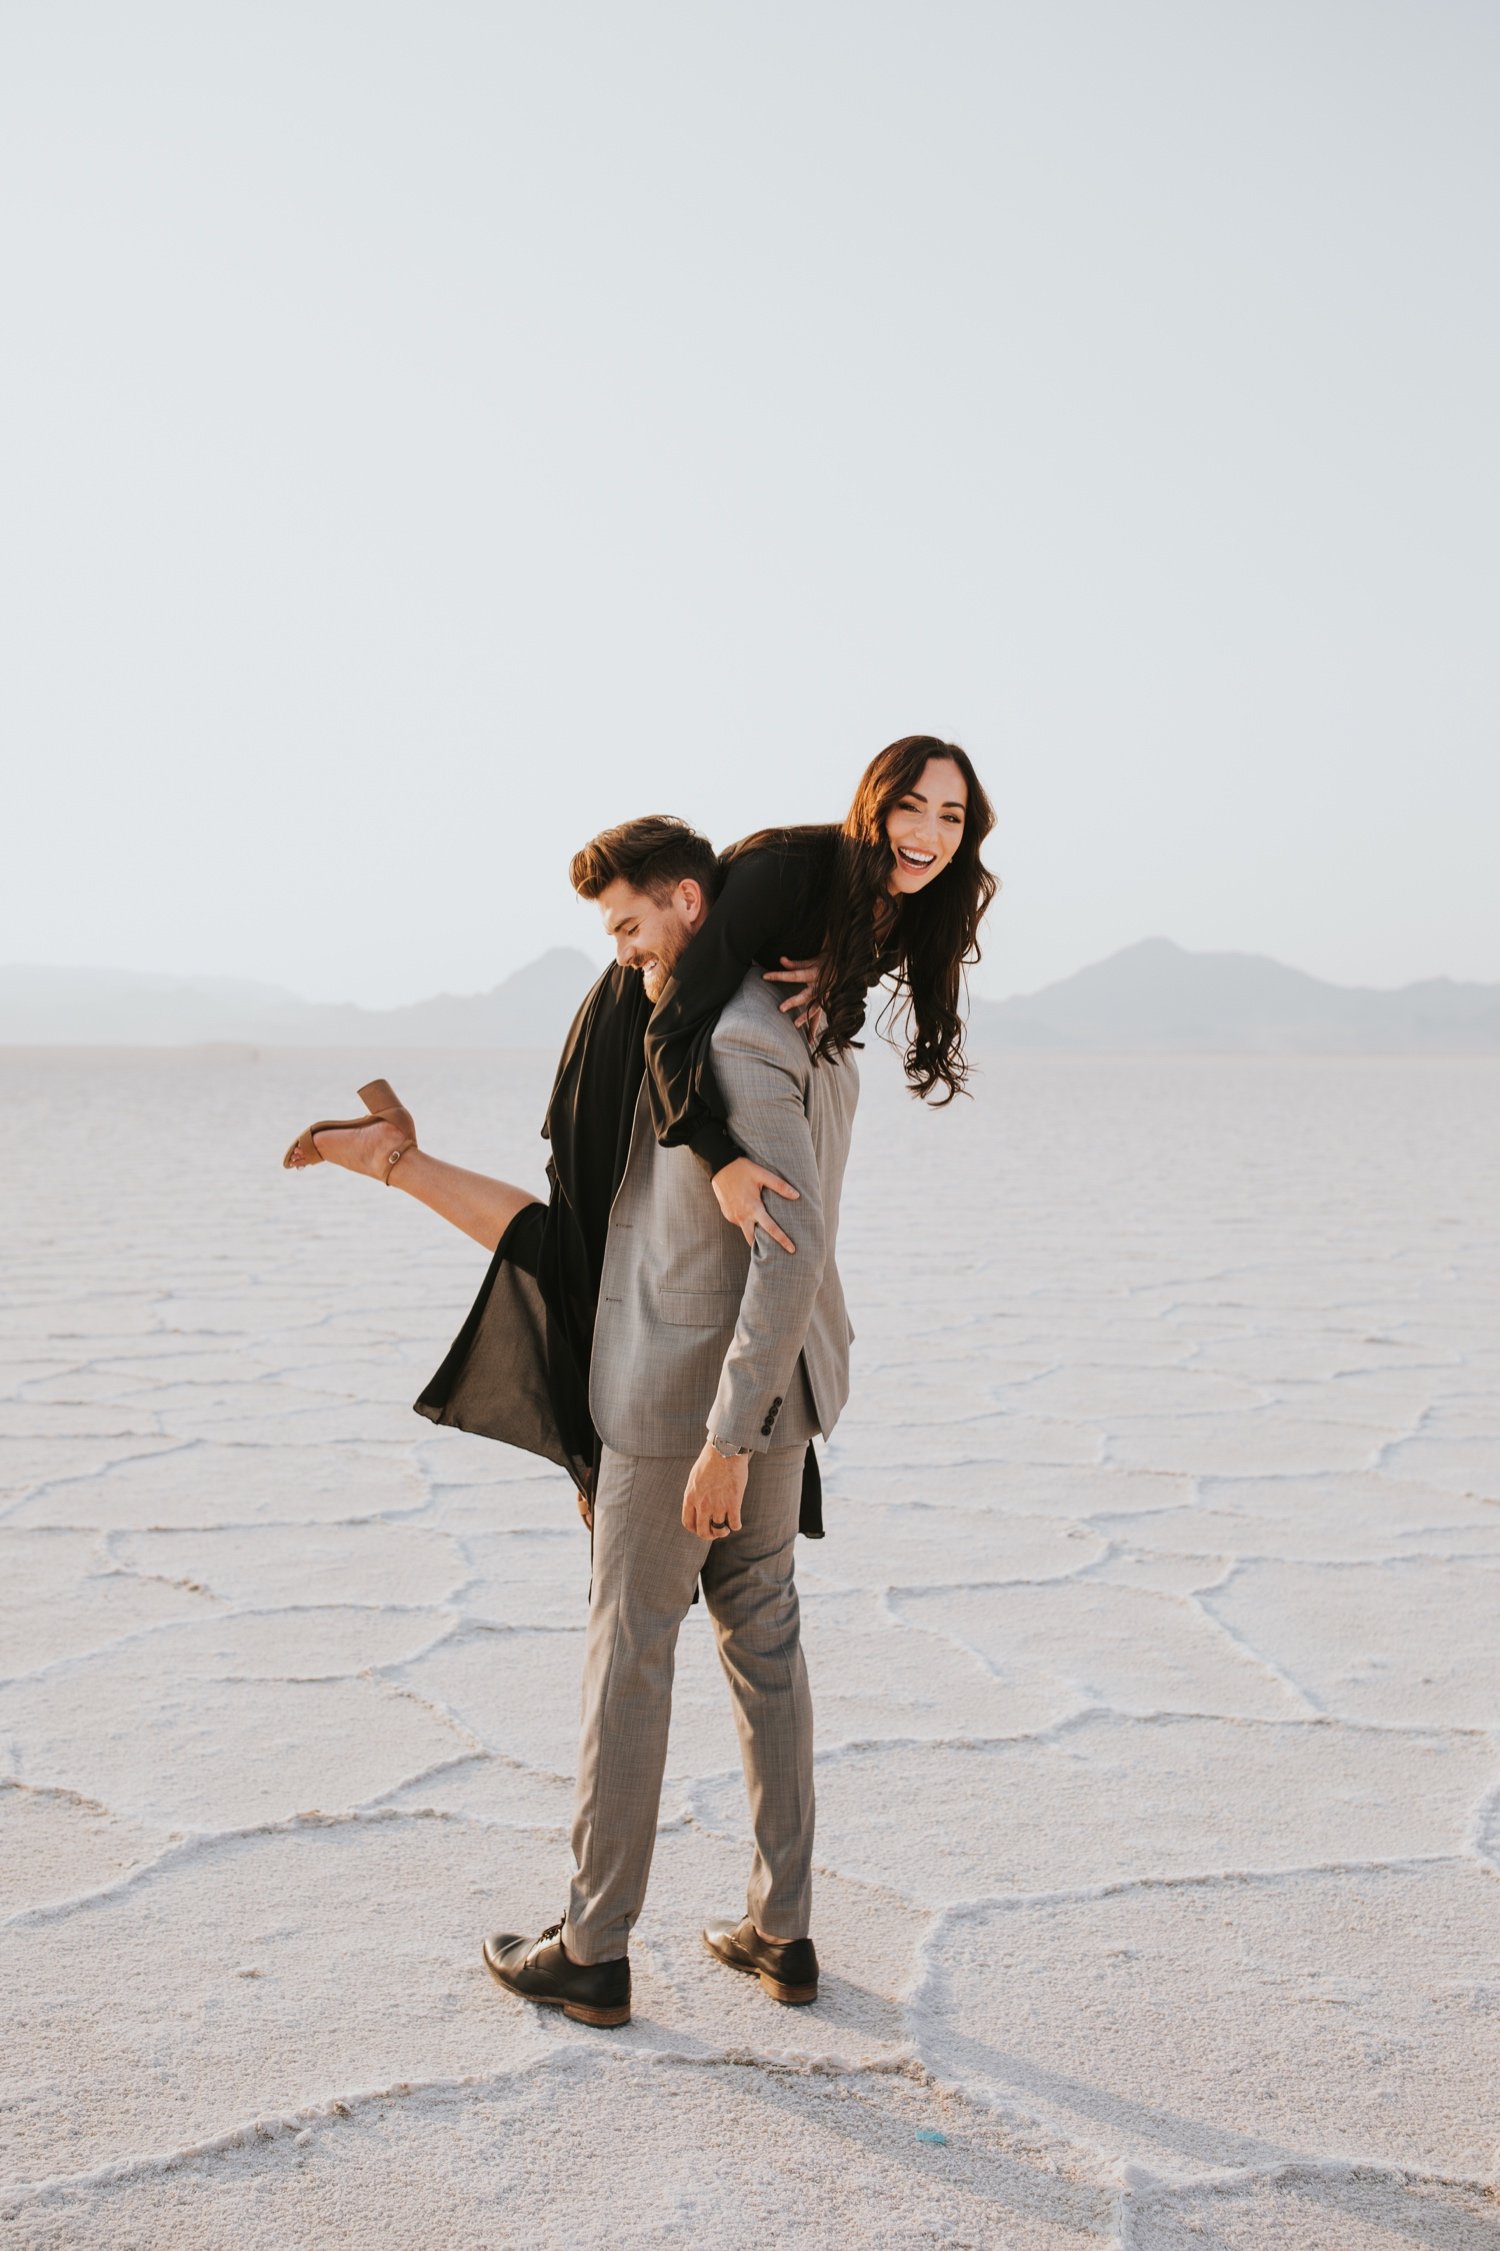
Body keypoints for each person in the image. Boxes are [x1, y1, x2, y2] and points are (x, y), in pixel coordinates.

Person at [283, 737, 997, 1538]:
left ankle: (394, 1154)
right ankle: (597, 1454)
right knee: (583, 1257)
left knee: (582, 1256)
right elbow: (672, 1027)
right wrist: (720, 1158)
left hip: (691, 1033)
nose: (929, 831)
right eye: (911, 806)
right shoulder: (788, 872)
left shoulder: (896, 903)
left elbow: (829, 1007)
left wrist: (836, 980)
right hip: (639, 1028)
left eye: (951, 815)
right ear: (874, 804)